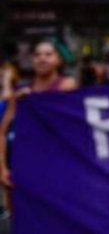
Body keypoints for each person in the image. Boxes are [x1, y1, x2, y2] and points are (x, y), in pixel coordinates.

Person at [0, 41, 77, 193]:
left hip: (57, 169)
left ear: (58, 60)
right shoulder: (22, 93)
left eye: (48, 54)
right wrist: (2, 168)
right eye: (37, 54)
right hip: (24, 167)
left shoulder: (67, 85)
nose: (42, 58)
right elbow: (2, 132)